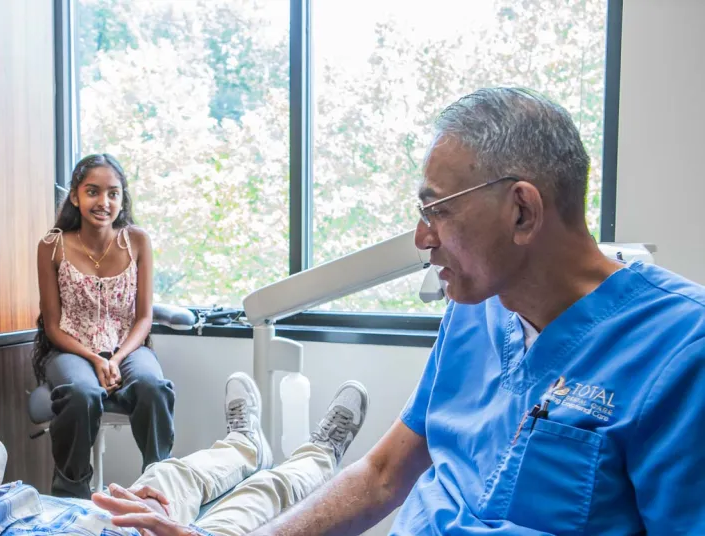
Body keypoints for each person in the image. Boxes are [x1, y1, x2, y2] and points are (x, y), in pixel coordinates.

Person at [249, 87, 705, 535]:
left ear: (522, 211)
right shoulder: (476, 306)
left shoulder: (681, 348)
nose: (423, 239)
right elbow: (382, 474)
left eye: (438, 211)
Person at [0, 339, 370, 536]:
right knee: (260, 500)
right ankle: (321, 454)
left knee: (170, 474)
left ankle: (243, 444)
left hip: (109, 514)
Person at [33, 153, 175, 499]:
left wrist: (115, 357)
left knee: (153, 386)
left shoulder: (137, 241)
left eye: (113, 193)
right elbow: (52, 326)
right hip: (69, 347)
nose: (104, 202)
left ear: (122, 198)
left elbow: (144, 318)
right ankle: (72, 494)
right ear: (75, 196)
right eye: (93, 191)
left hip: (127, 346)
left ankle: (158, 486)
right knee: (82, 393)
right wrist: (96, 359)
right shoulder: (51, 246)